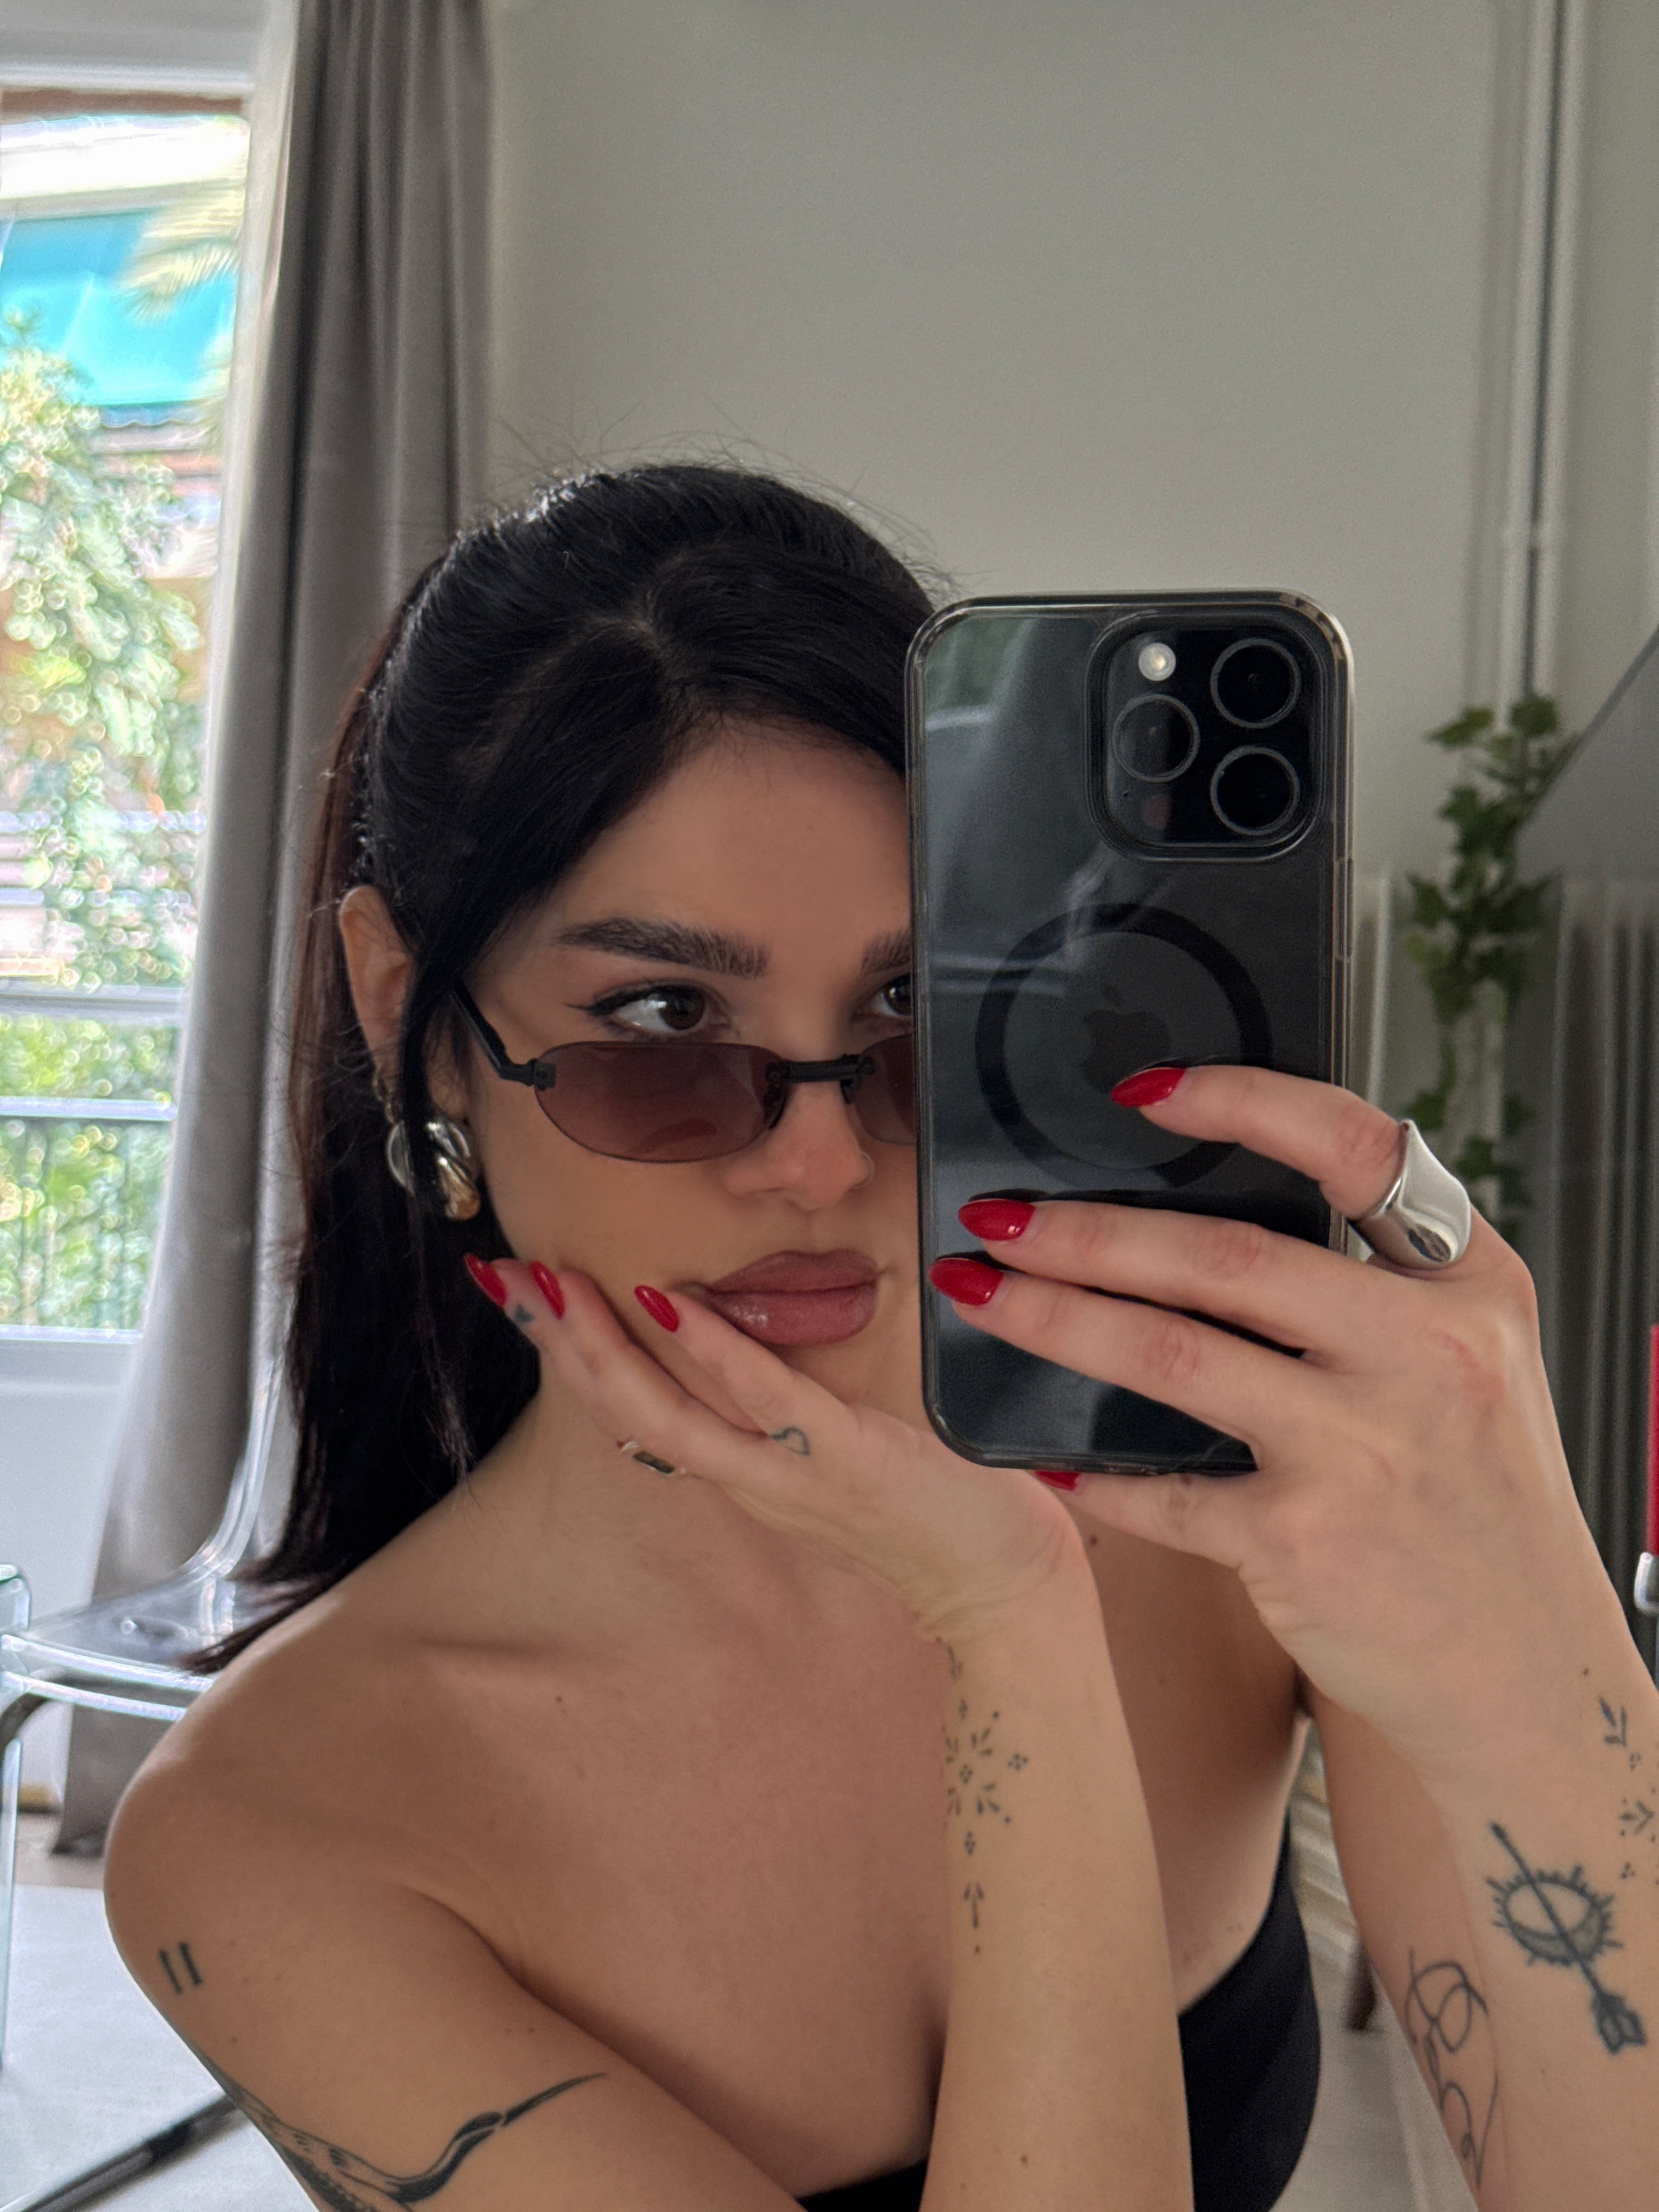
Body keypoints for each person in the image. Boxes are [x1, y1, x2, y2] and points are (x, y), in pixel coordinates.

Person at [104, 465, 1657, 2212]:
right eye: (663, 1021)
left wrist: (1535, 1616)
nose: (825, 1163)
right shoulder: (269, 1832)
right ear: (411, 1010)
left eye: (915, 1006)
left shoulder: (1231, 1508)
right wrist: (1013, 1625)